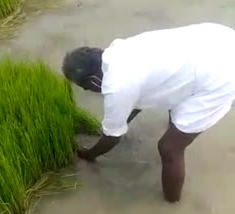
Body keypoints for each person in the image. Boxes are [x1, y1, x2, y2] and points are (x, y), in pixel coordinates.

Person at [61, 23, 235, 203]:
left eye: (86, 87)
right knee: (176, 87)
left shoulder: (117, 85)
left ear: (94, 79)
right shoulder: (118, 50)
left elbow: (112, 138)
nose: (90, 91)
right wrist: (119, 122)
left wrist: (87, 155)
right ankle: (177, 125)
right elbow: (136, 97)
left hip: (221, 74)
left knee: (169, 147)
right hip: (218, 38)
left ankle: (171, 203)